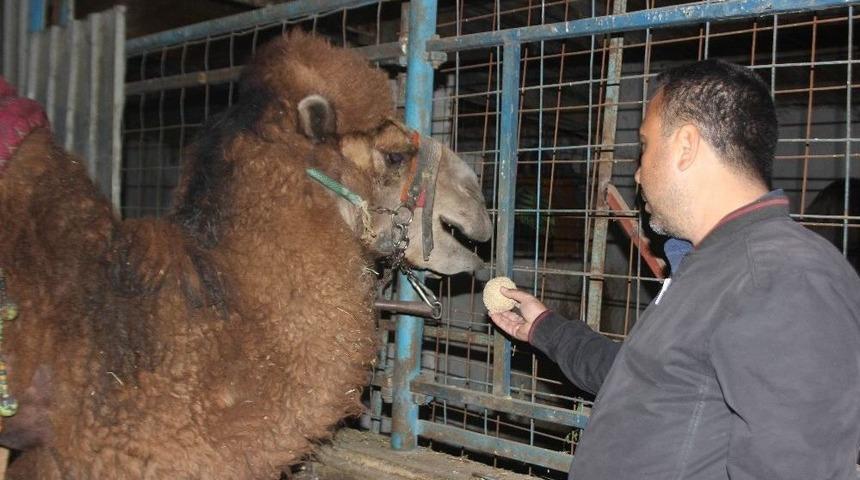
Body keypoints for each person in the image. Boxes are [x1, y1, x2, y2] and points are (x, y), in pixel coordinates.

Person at [490, 59, 860, 479]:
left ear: (686, 146)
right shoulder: (715, 264)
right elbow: (649, 378)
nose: (639, 173)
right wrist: (546, 328)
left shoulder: (787, 276)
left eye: (645, 146)